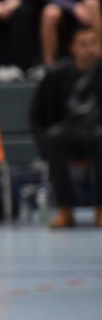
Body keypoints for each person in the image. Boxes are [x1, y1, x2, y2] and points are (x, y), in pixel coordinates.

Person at [29, 28, 102, 229]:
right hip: (67, 131)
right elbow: (37, 114)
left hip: (97, 131)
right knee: (54, 138)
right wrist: (42, 144)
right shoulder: (56, 75)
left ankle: (100, 209)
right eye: (84, 44)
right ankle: (65, 210)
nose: (89, 49)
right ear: (73, 48)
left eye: (93, 44)